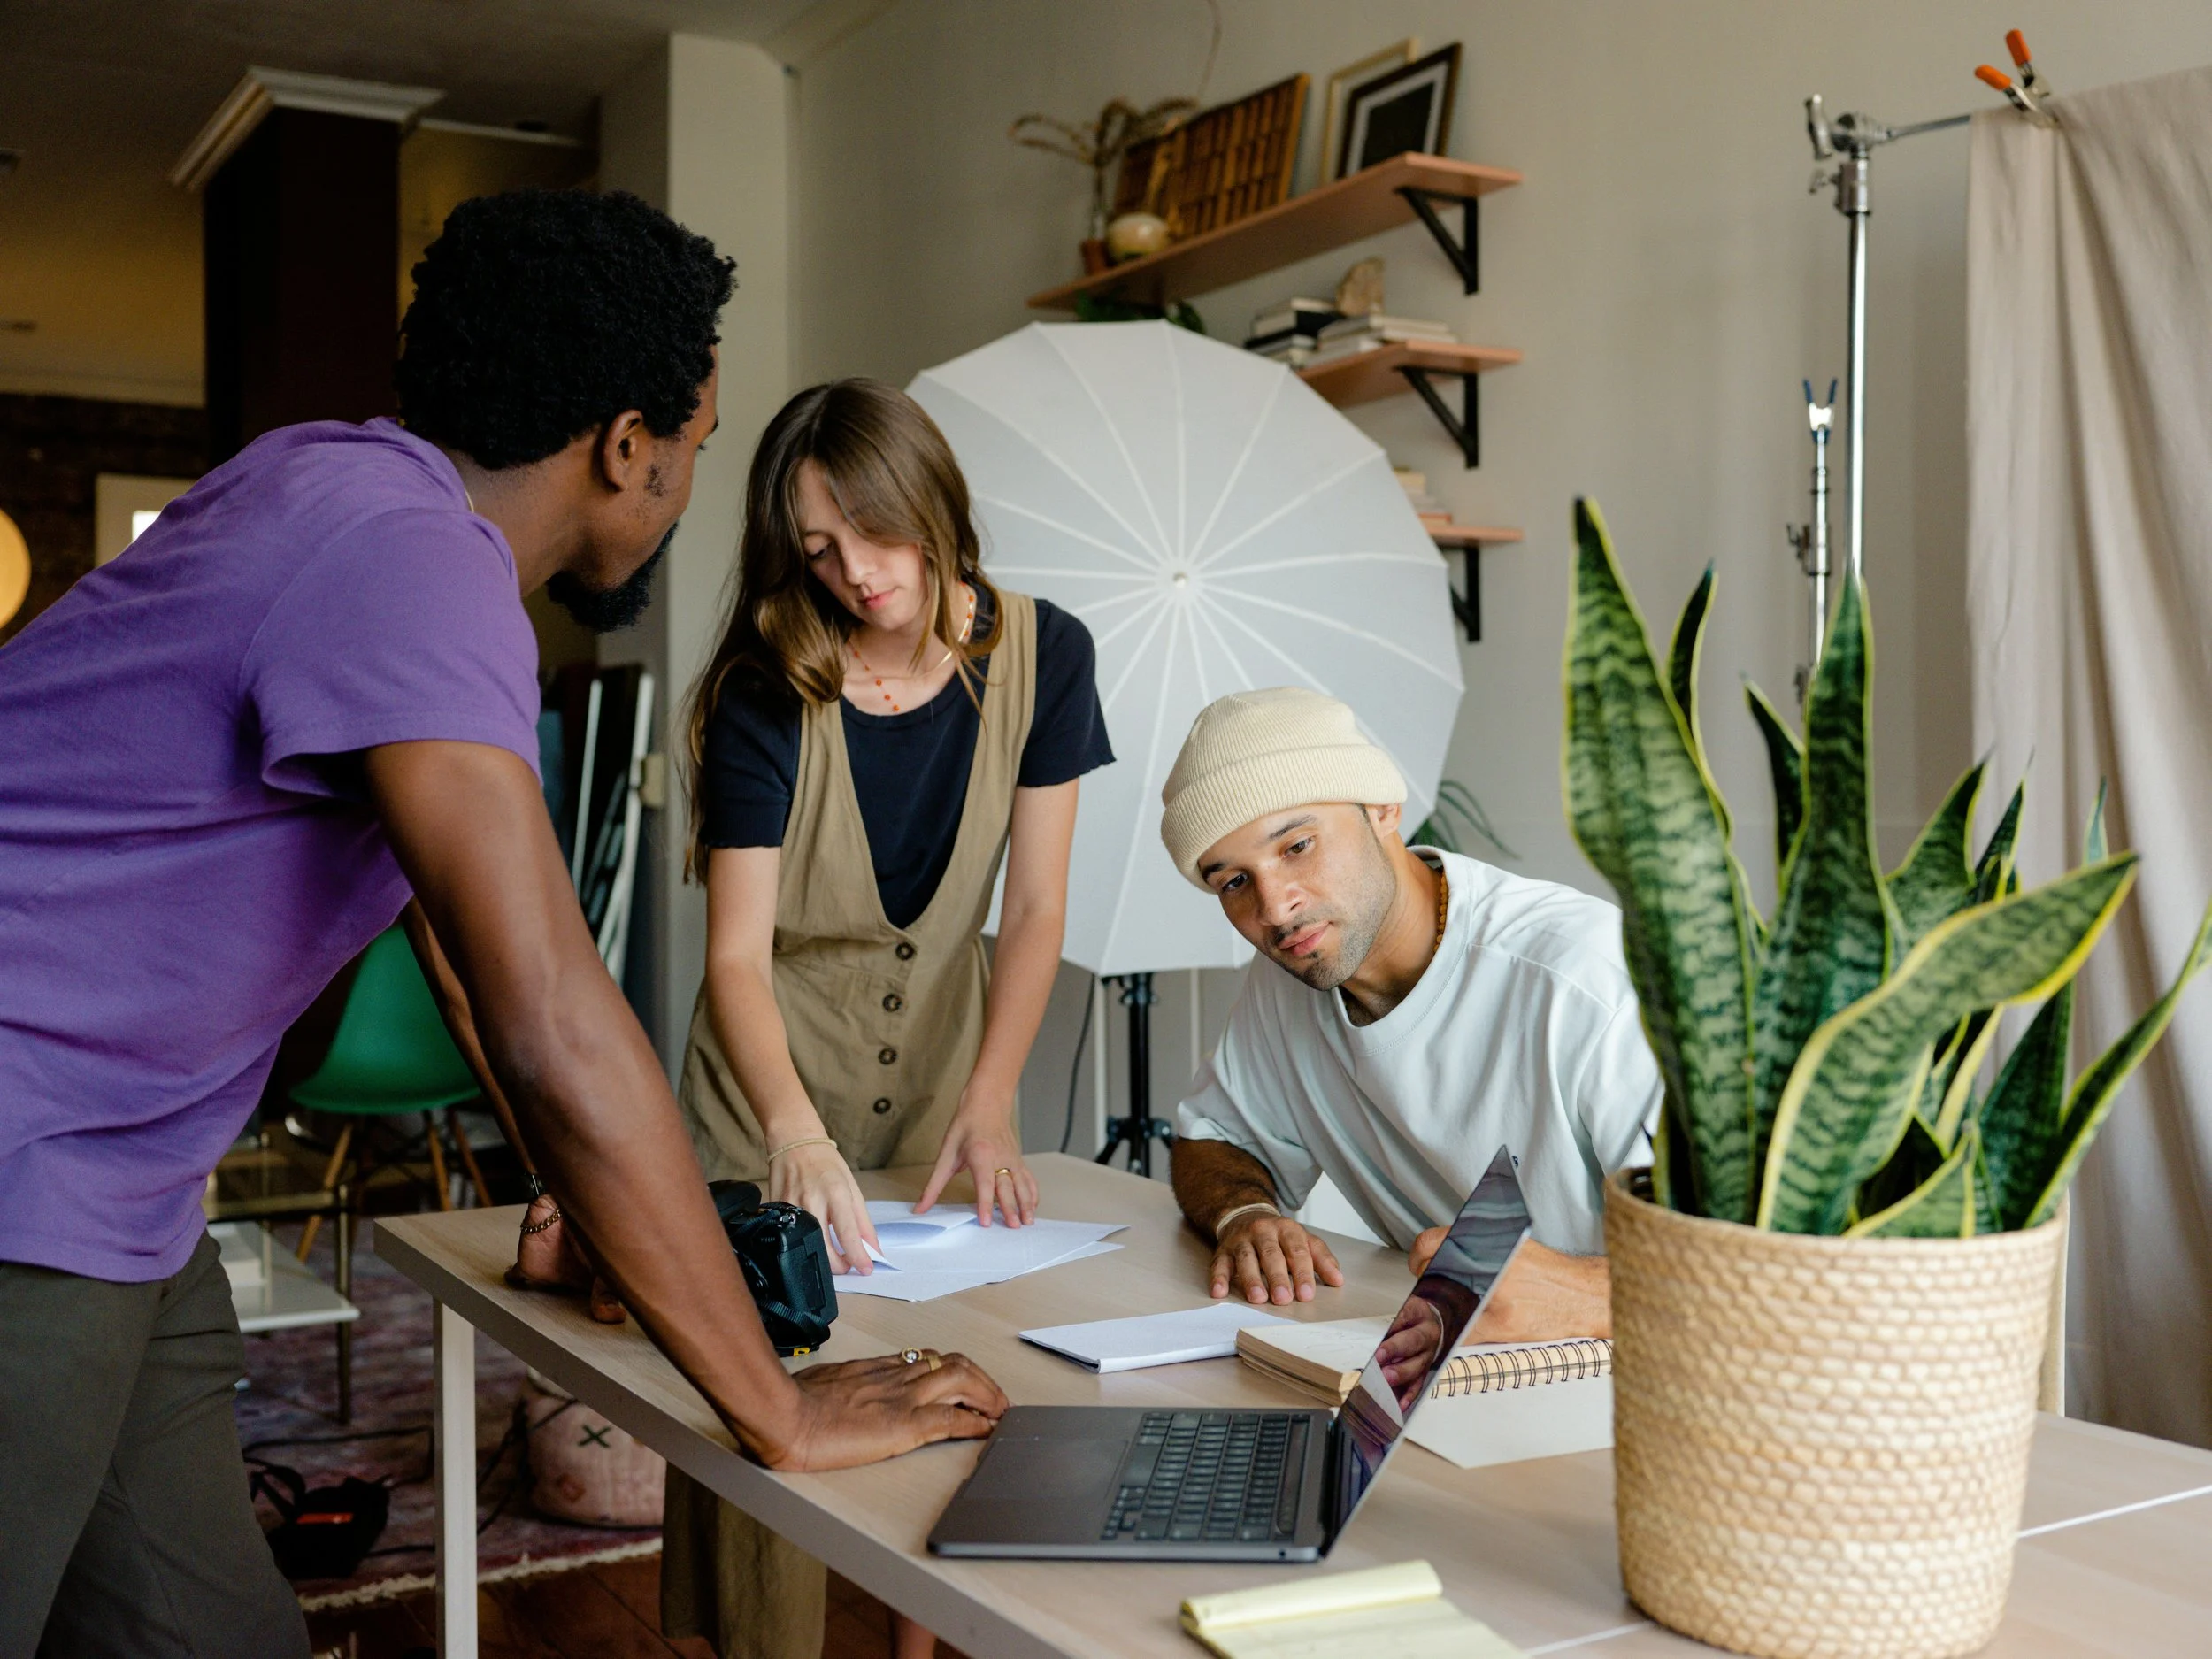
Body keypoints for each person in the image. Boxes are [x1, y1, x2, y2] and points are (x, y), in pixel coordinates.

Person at [0, 191, 1005, 1659]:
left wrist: (578, 1213)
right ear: (624, 445)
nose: (683, 484)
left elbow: (470, 973)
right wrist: (772, 1405)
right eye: (695, 450)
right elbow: (547, 1013)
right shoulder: (413, 565)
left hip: (121, 1204)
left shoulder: (324, 492)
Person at [658, 379, 1112, 1659]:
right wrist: (789, 1129)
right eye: (816, 548)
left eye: (873, 530)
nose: (855, 572)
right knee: (767, 1391)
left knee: (950, 1364)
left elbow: (1032, 909)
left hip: (943, 1069)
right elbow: (736, 956)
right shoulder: (767, 680)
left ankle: (927, 1640)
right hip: (769, 1071)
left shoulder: (1046, 652)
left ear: (933, 504)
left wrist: (992, 1090)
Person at [1156, 687, 1662, 1339]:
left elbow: (1771, 1261)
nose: (1275, 907)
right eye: (1234, 881)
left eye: (1297, 846)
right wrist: (1246, 1217)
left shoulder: (1583, 982)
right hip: (1453, 1380)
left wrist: (1584, 1299)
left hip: (1648, 1383)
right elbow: (1213, 1138)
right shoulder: (1291, 978)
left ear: (1383, 808)